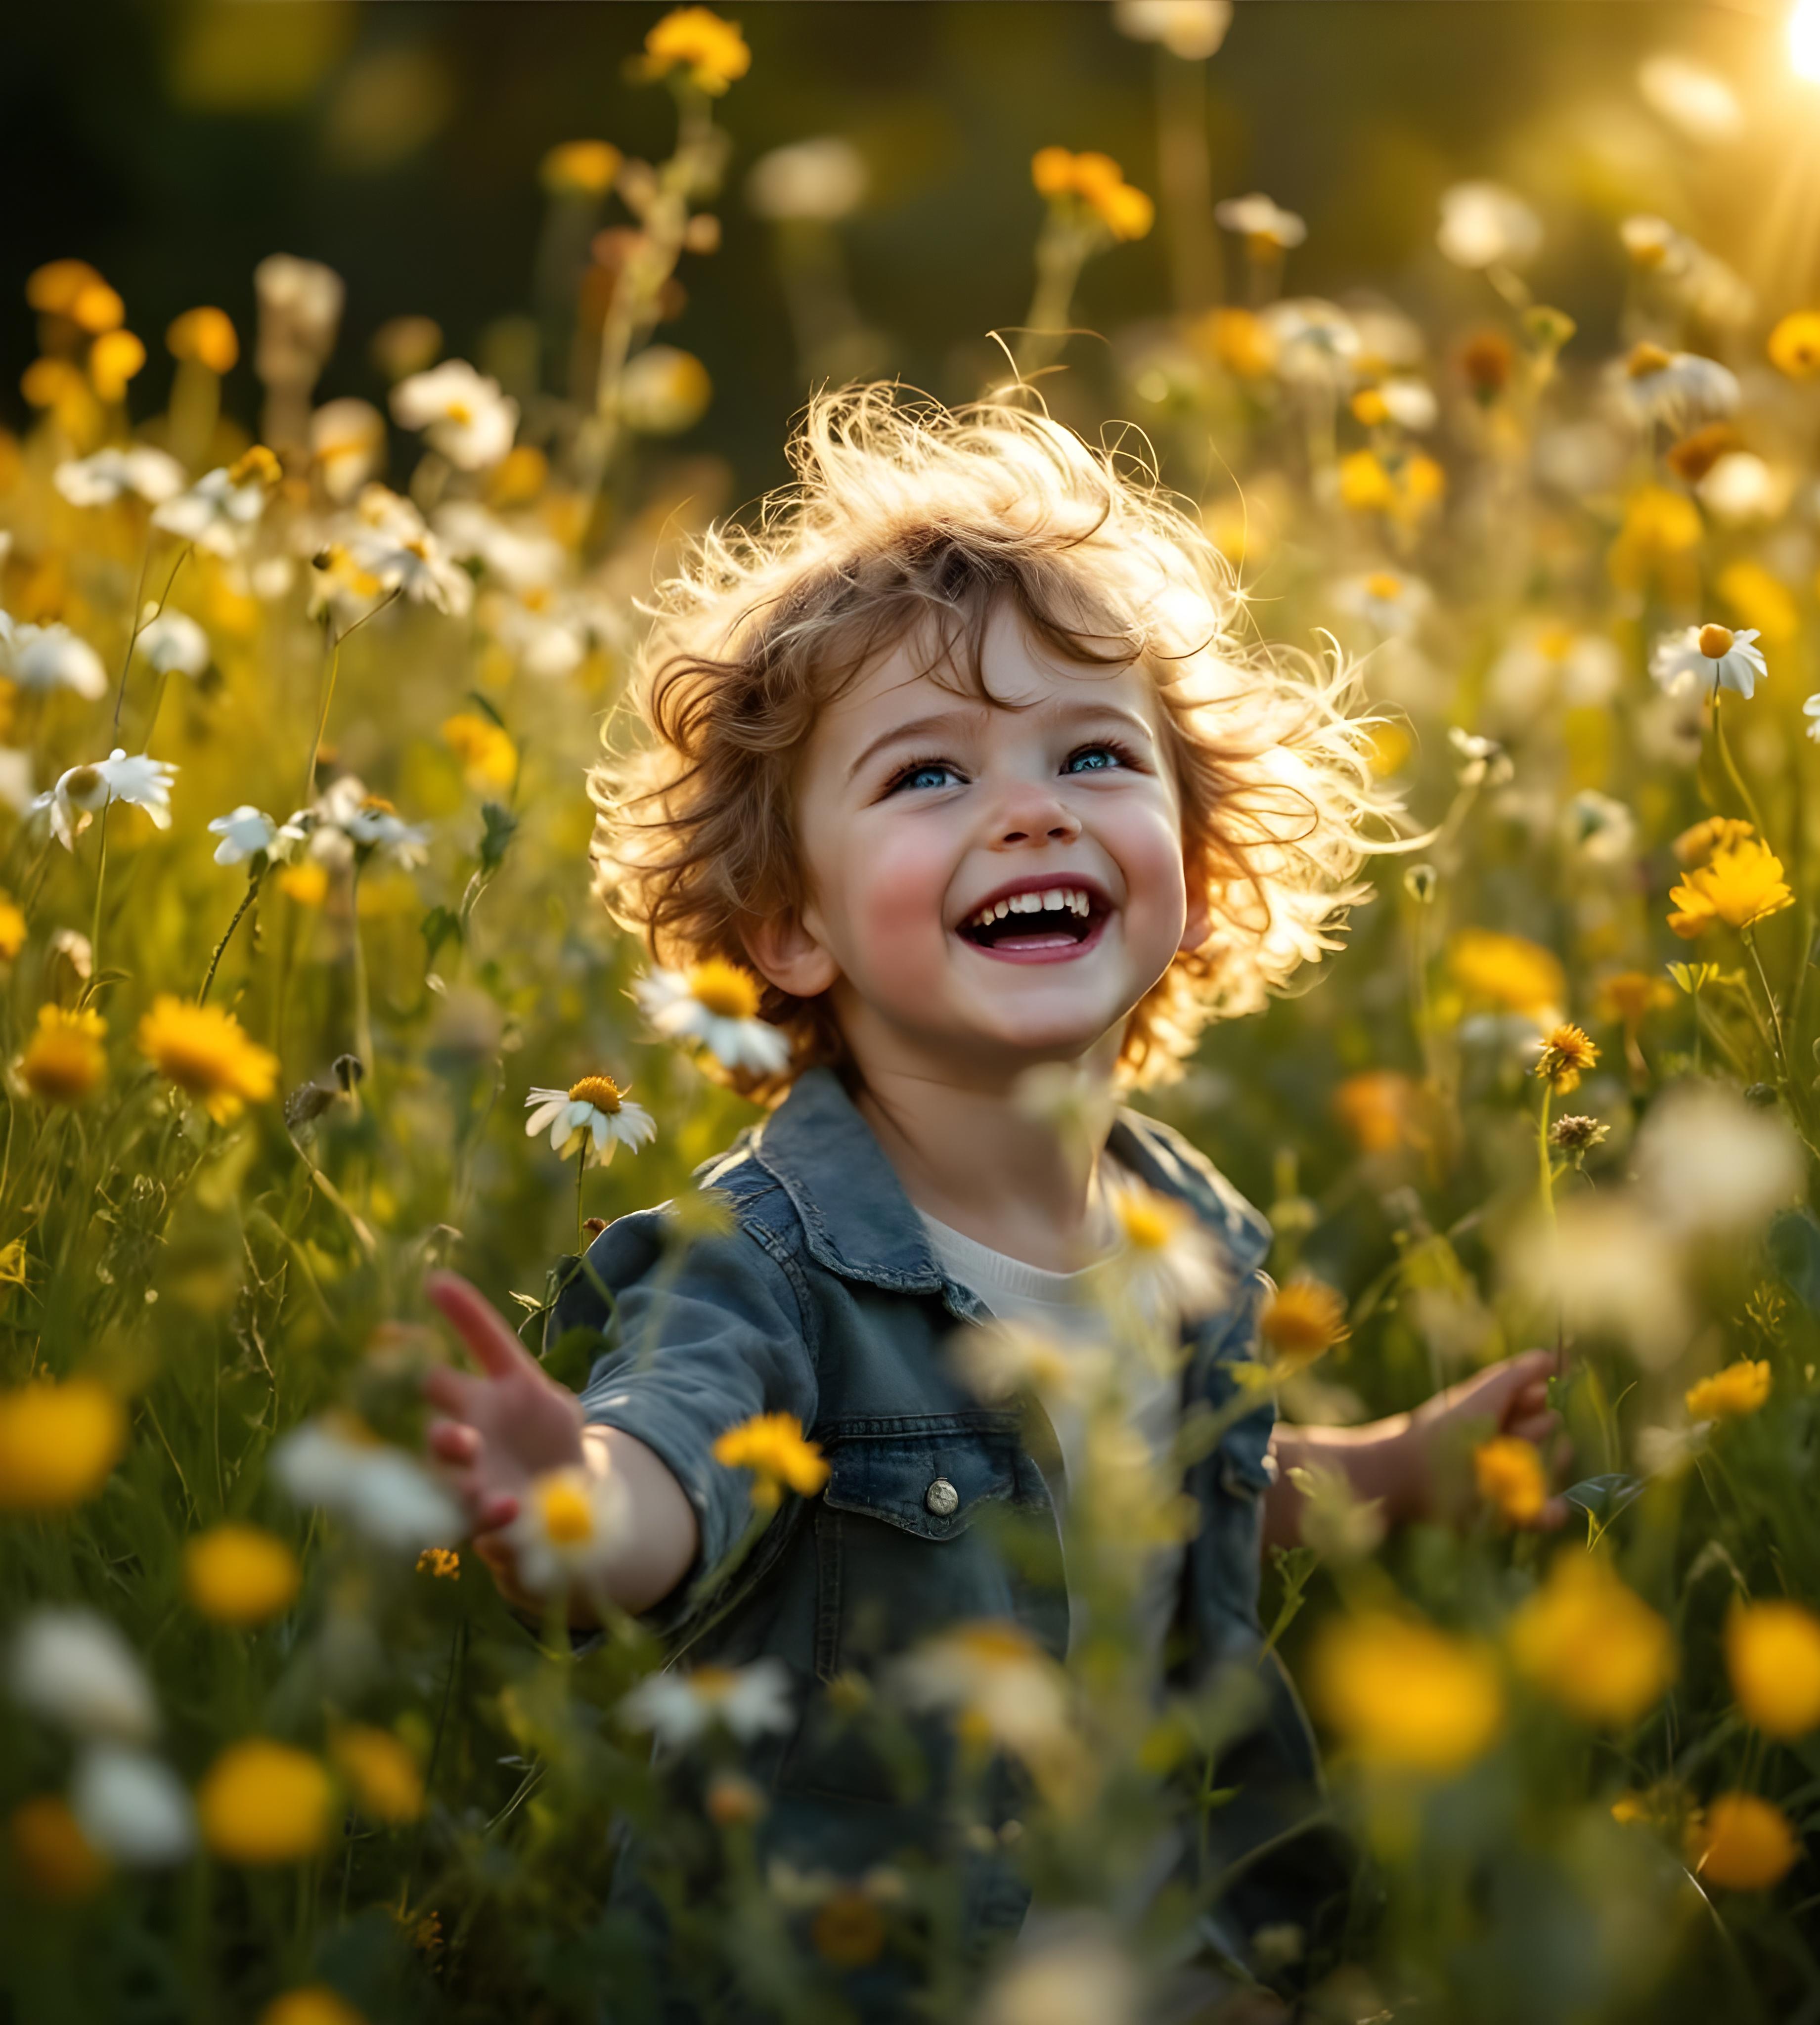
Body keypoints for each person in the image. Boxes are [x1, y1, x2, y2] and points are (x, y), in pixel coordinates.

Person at [421, 386, 1563, 2016]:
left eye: (1094, 755)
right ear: (791, 928)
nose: (1031, 807)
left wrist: (1390, 1469)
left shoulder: (1186, 1225)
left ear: (1196, 853)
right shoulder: (753, 1261)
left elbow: (1180, 1480)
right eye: (926, 777)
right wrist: (584, 1507)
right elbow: (678, 1444)